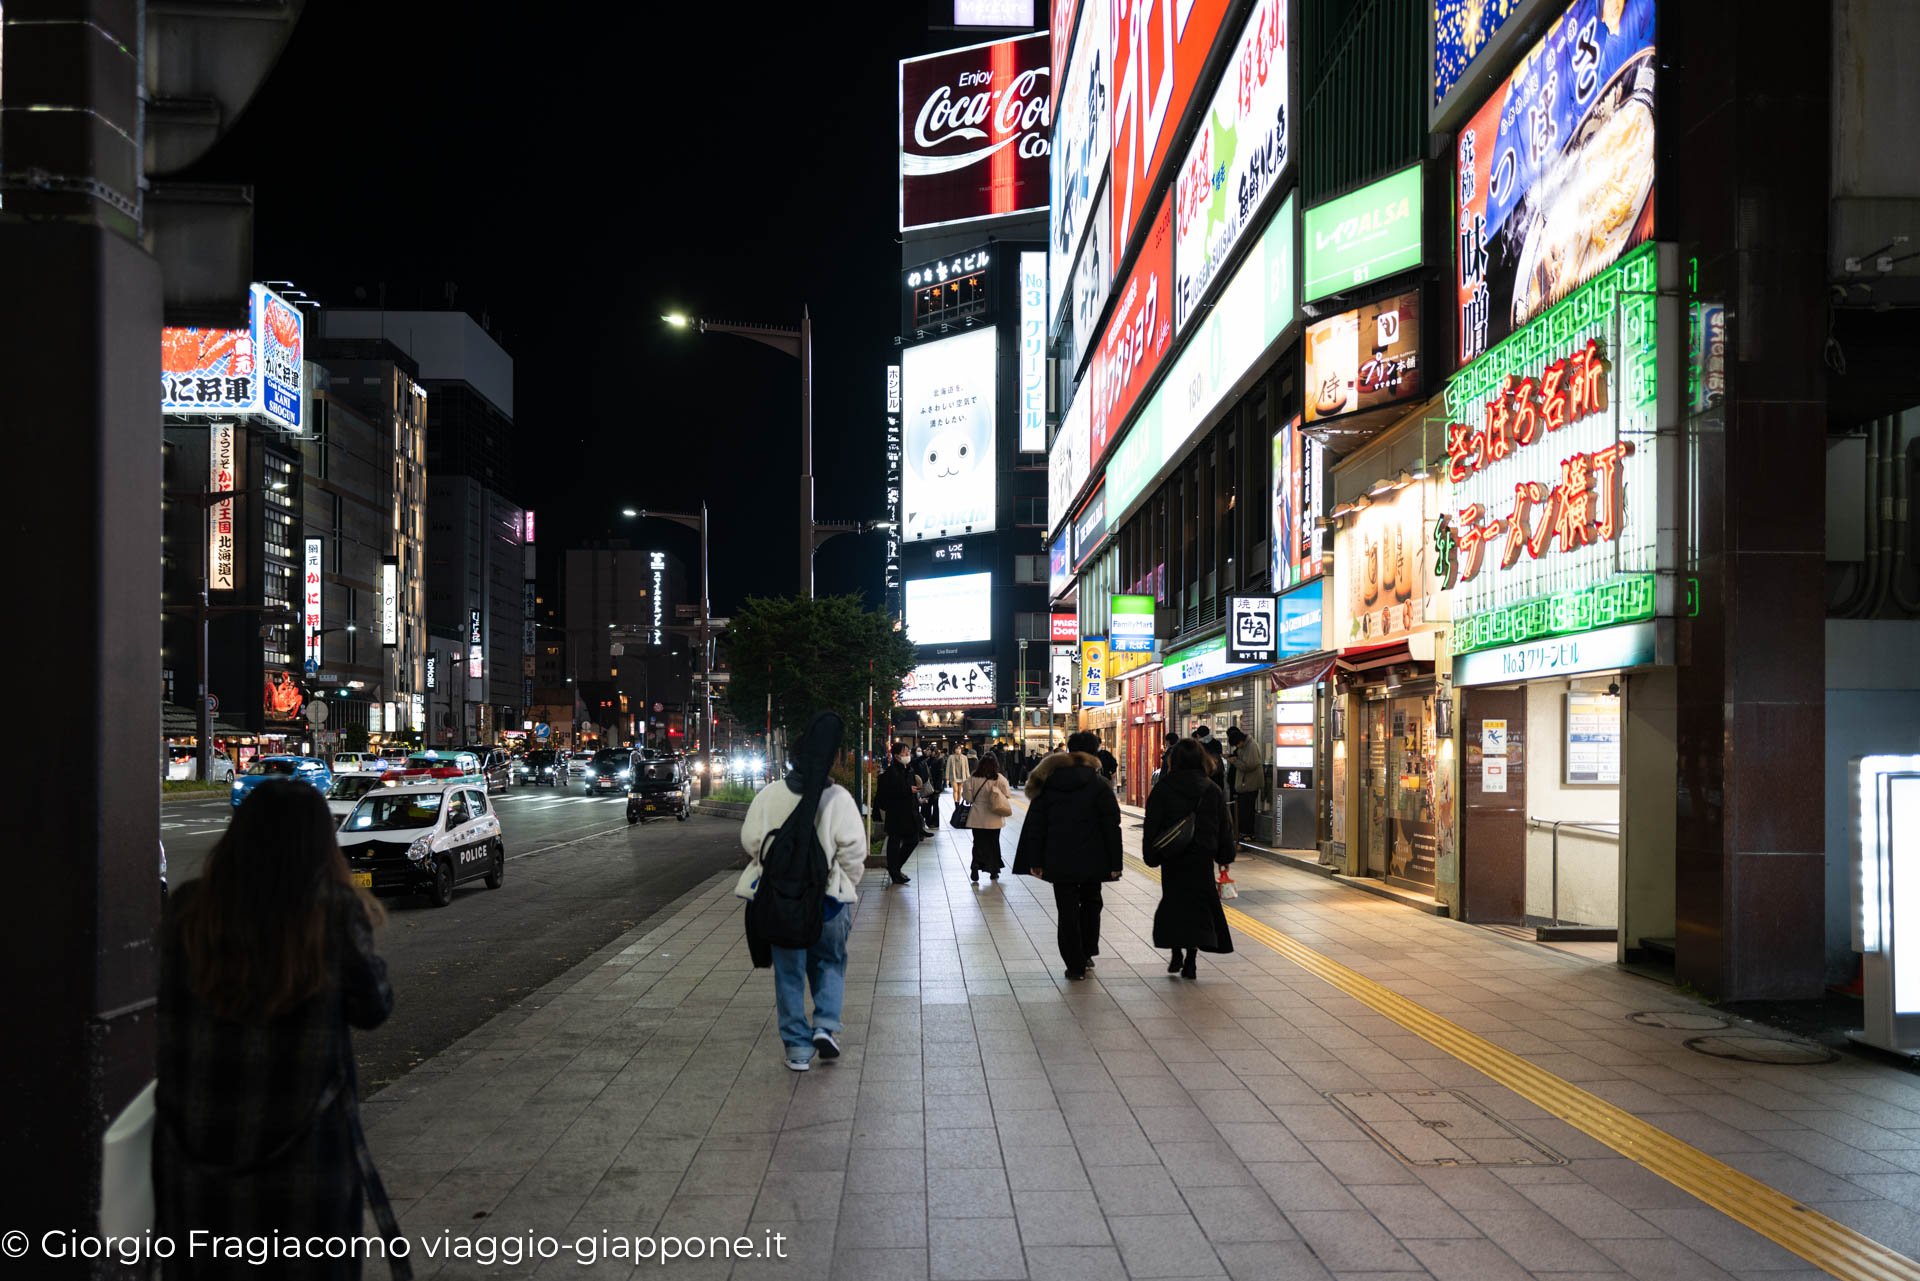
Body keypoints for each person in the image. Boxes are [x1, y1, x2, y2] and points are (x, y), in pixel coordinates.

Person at [156, 779, 401, 1280]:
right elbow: (374, 1008)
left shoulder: (189, 909)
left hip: (199, 1158)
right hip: (303, 1158)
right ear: (320, 845)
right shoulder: (331, 913)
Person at [739, 713, 869, 1070]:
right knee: (829, 962)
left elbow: (751, 841)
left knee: (789, 972)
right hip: (828, 901)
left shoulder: (769, 795)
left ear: (793, 757)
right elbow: (855, 851)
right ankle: (825, 1026)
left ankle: (797, 1049)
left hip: (781, 901)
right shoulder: (839, 798)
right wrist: (845, 881)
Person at [1013, 730, 1123, 980]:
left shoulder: (1048, 783)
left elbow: (1036, 825)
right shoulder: (1099, 785)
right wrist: (1115, 863)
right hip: (1093, 858)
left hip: (1058, 859)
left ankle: (1075, 966)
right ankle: (1087, 951)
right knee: (1092, 902)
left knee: (1067, 910)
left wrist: (1036, 861)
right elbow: (1111, 826)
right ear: (1094, 754)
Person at [1143, 738, 1237, 979]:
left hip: (1172, 857)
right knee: (1198, 906)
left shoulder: (1163, 789)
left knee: (1174, 901)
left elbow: (1151, 825)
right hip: (1201, 857)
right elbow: (1224, 827)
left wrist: (1150, 854)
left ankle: (1176, 953)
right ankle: (1191, 961)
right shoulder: (1211, 789)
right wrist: (1224, 856)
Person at [874, 741, 922, 885]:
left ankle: (895, 868)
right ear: (896, 756)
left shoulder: (909, 769)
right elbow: (890, 793)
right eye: (904, 753)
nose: (908, 755)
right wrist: (908, 790)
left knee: (913, 840)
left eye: (908, 752)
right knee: (894, 843)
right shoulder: (891, 772)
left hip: (909, 812)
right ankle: (895, 872)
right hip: (896, 813)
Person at [961, 752, 1012, 883]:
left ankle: (975, 864)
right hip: (994, 817)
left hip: (977, 817)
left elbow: (967, 797)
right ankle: (993, 870)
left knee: (977, 843)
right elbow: (1007, 794)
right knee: (993, 843)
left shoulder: (973, 777)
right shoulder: (999, 778)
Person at [1226, 725, 1265, 842]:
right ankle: (1244, 833)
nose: (1237, 747)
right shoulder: (1244, 746)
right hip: (1245, 784)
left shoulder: (1251, 746)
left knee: (1247, 811)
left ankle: (1248, 833)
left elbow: (1250, 765)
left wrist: (1235, 761)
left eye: (1237, 744)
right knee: (1243, 810)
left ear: (1241, 740)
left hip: (1250, 784)